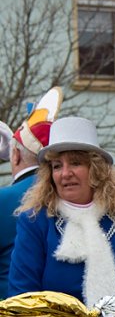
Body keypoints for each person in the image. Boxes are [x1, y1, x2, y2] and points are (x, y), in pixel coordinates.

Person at [8, 116, 115, 306]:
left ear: (96, 169)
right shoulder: (35, 222)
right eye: (57, 166)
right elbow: (22, 298)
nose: (65, 173)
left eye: (75, 163)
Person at [0, 88, 62, 298]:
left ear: (15, 155)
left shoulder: (3, 199)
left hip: (9, 313)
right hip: (66, 312)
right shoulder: (73, 195)